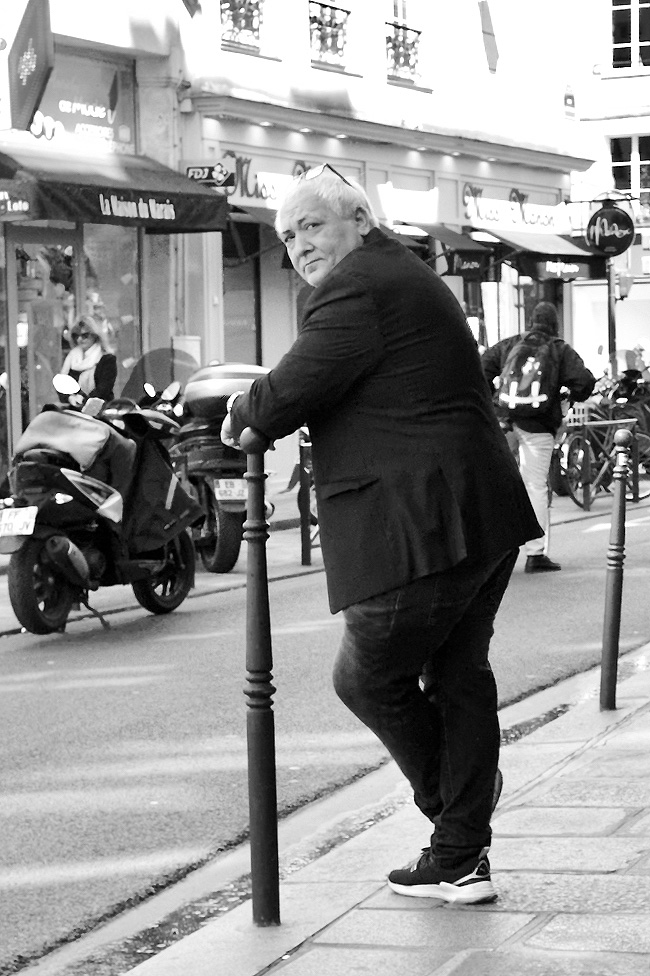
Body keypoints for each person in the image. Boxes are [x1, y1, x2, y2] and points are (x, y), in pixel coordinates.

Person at [221, 163, 541, 904]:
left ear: (358, 220)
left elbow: (289, 390)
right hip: (477, 512)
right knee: (459, 677)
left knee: (366, 676)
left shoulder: (357, 283)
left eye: (311, 226)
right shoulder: (395, 273)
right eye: (286, 236)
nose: (299, 246)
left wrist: (243, 410)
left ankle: (461, 807)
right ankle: (461, 852)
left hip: (424, 522)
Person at [482, 302, 595, 574]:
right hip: (539, 427)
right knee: (534, 487)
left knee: (499, 484)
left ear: (531, 320)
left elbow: (481, 369)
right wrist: (566, 396)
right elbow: (585, 382)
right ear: (554, 323)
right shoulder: (559, 348)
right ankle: (535, 553)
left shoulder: (510, 344)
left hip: (505, 423)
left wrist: (492, 404)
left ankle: (495, 551)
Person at [61, 316, 117, 402]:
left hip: (99, 409)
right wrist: (70, 398)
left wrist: (83, 400)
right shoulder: (71, 358)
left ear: (95, 335)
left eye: (85, 335)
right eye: (76, 335)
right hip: (73, 409)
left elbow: (104, 389)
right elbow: (62, 385)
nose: (79, 339)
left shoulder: (107, 359)